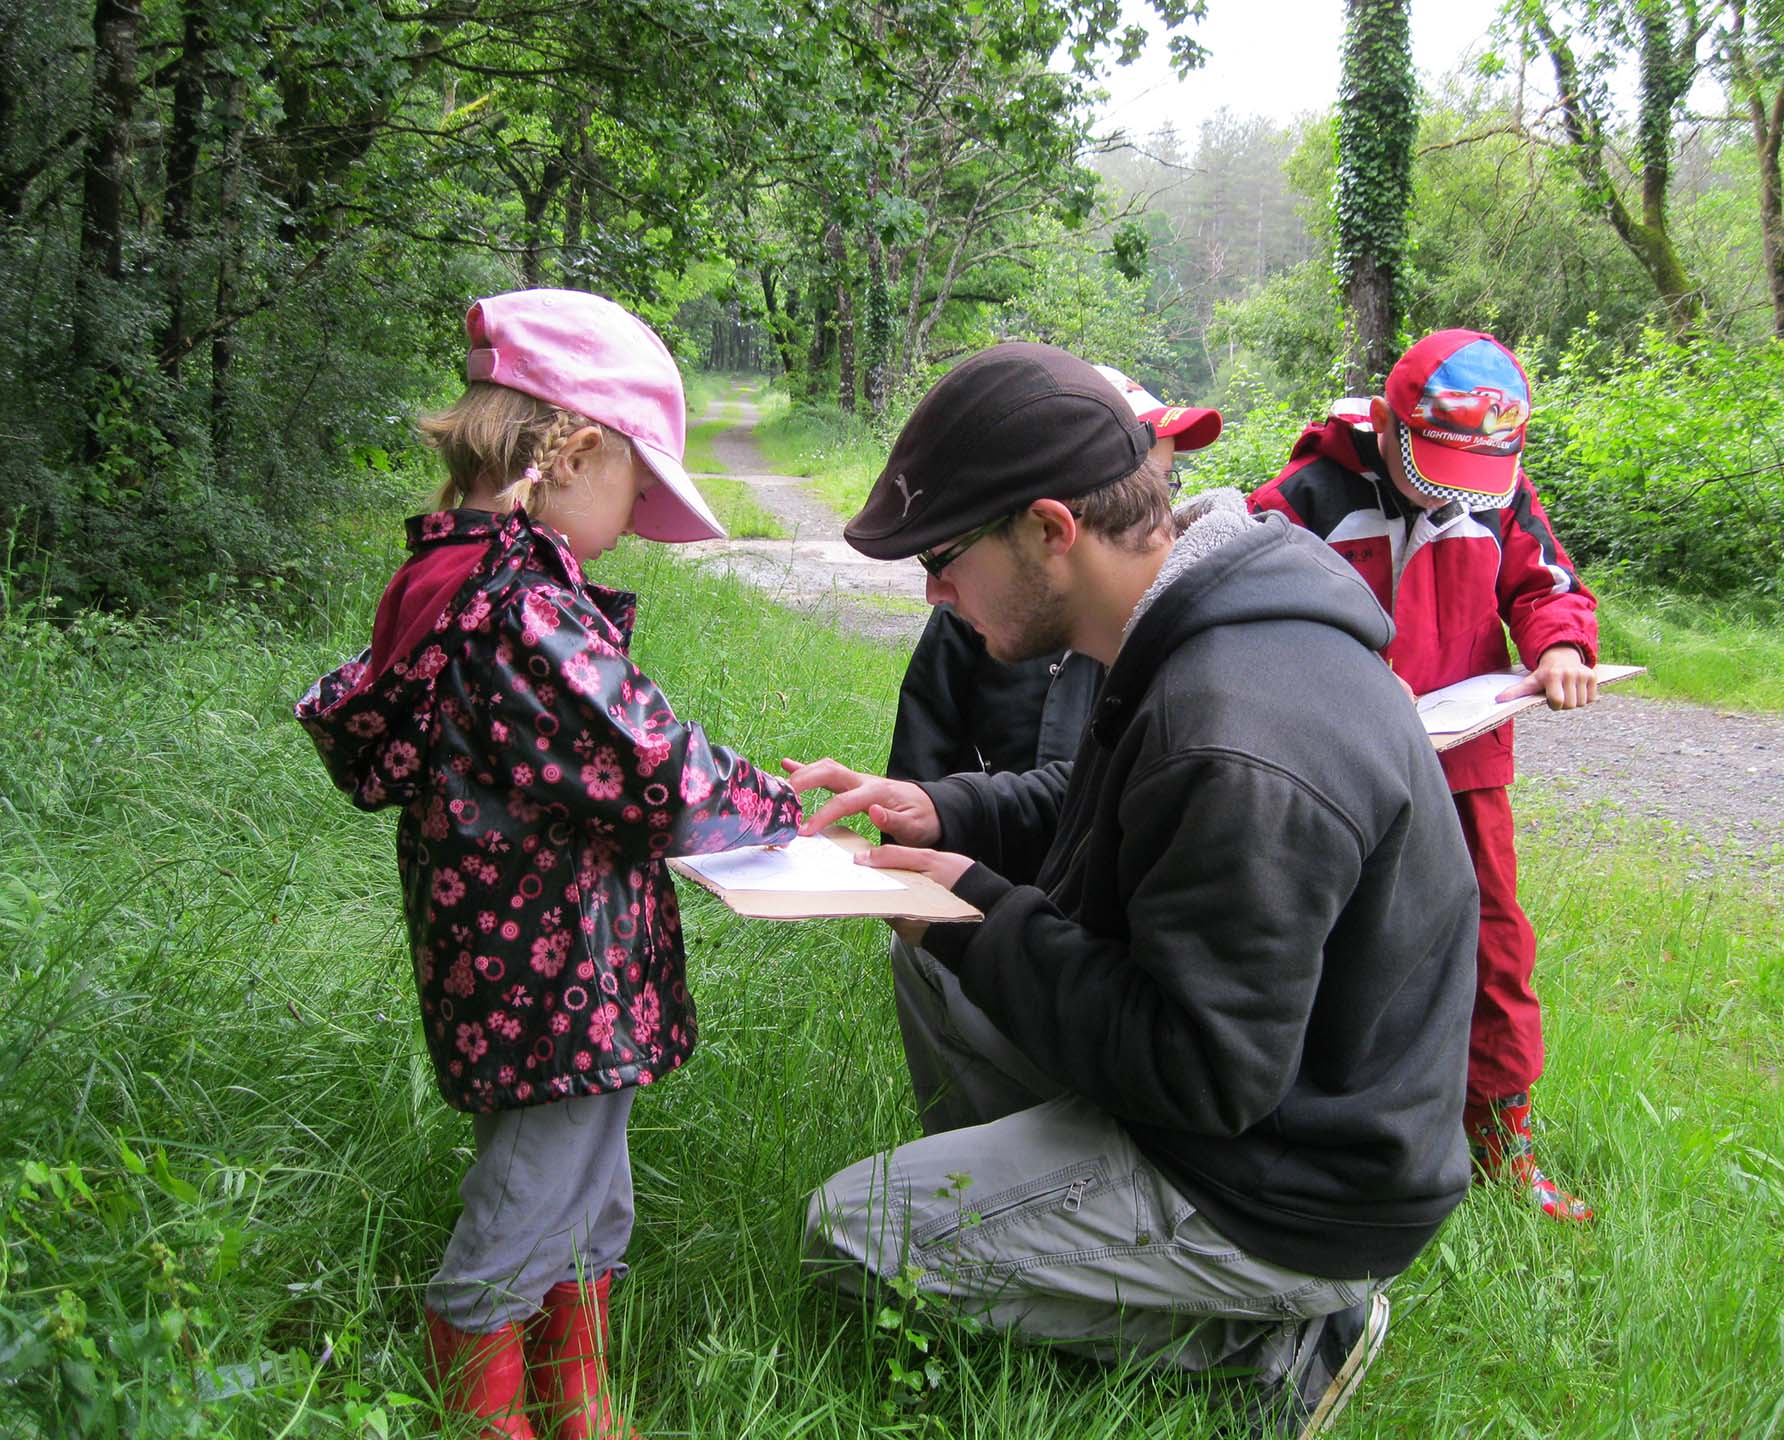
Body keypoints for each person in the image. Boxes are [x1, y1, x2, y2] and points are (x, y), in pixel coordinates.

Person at [785, 342, 1479, 1436]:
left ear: (1052, 533)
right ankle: (1052, 1224)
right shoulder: (1185, 628)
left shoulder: (1236, 732)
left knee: (857, 1231)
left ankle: (1271, 1334)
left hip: (1285, 1188)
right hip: (1254, 1110)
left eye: (948, 556)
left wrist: (987, 919)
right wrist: (953, 816)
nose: (934, 592)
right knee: (926, 948)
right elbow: (1111, 814)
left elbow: (1203, 1074)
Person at [296, 288, 803, 1440]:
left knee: (586, 1193)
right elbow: (645, 762)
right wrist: (774, 808)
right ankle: (485, 1415)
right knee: (529, 1203)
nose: (635, 518)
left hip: (537, 970)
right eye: (636, 484)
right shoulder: (516, 609)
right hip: (549, 978)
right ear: (574, 452)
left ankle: (578, 1403)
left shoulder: (467, 585)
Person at [1245, 329, 1599, 1224]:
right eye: (1433, 469)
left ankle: (1499, 1143)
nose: (1452, 498)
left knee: (1493, 947)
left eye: (1471, 483)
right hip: (1340, 770)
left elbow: (1549, 582)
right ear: (1385, 425)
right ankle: (1310, 1123)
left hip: (1466, 768)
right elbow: (1240, 599)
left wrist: (1559, 642)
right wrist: (1347, 670)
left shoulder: (1499, 493)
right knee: (1324, 937)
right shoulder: (1306, 496)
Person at [883, 365, 1219, 788]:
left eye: (1165, 483)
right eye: (1139, 474)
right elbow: (924, 735)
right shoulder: (989, 600)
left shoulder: (1183, 662)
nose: (1154, 513)